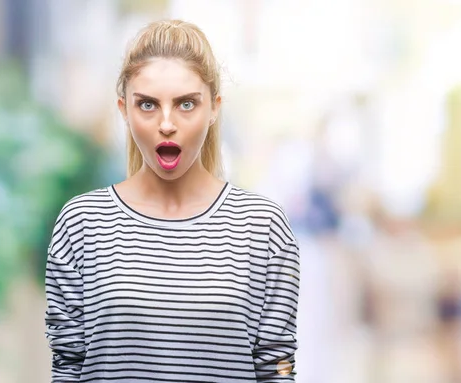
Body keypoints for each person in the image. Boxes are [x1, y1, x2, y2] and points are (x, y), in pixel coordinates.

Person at [44, 19, 300, 382]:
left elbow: (277, 368)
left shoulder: (262, 227)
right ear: (124, 110)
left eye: (186, 104)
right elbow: (66, 366)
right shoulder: (82, 222)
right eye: (147, 105)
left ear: (214, 108)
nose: (166, 123)